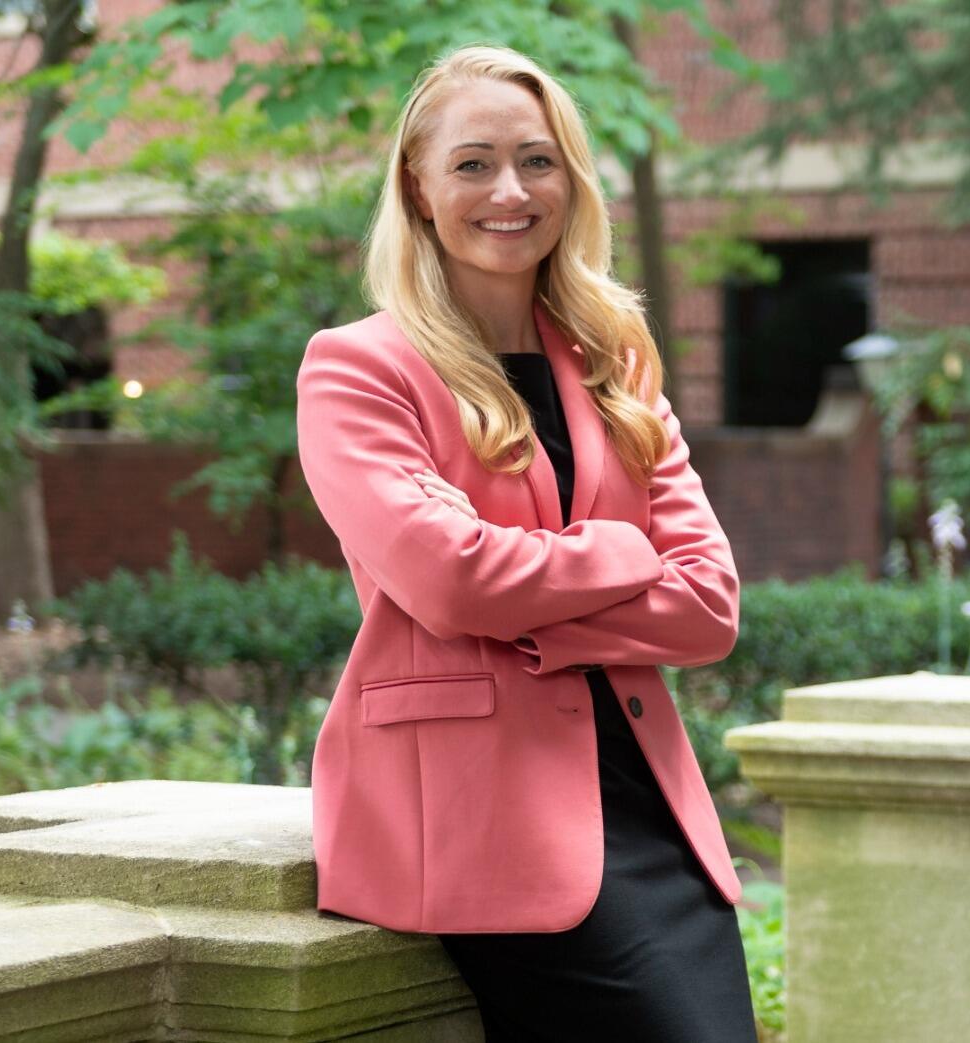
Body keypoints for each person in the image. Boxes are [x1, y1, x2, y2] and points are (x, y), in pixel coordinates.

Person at [293, 43, 759, 1042]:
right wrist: (624, 551)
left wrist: (533, 604)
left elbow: (709, 605)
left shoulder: (612, 362)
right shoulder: (359, 370)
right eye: (472, 164)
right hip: (480, 813)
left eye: (537, 161)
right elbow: (451, 580)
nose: (510, 191)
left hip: (649, 807)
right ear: (418, 189)